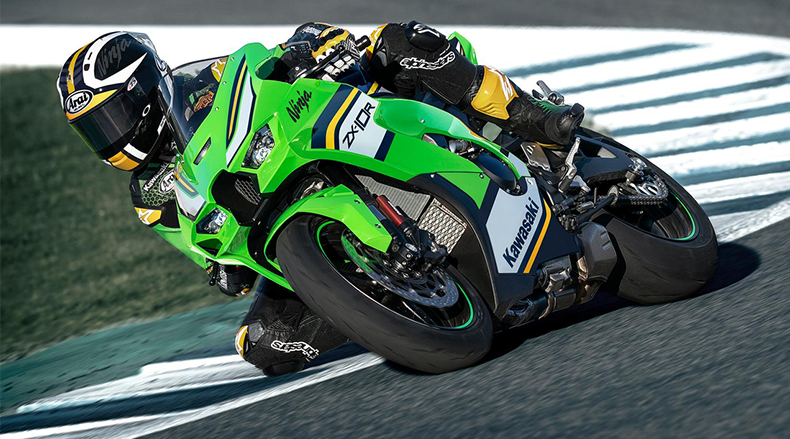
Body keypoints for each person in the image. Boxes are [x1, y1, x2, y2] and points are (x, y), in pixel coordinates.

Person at [56, 22, 584, 375]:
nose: (110, 135)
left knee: (397, 41)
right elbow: (202, 251)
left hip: (328, 132)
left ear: (146, 88)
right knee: (259, 343)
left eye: (112, 116)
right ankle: (390, 302)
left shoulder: (205, 82)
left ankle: (531, 120)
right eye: (93, 129)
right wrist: (223, 269)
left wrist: (316, 47)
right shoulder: (149, 193)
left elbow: (266, 63)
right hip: (277, 219)